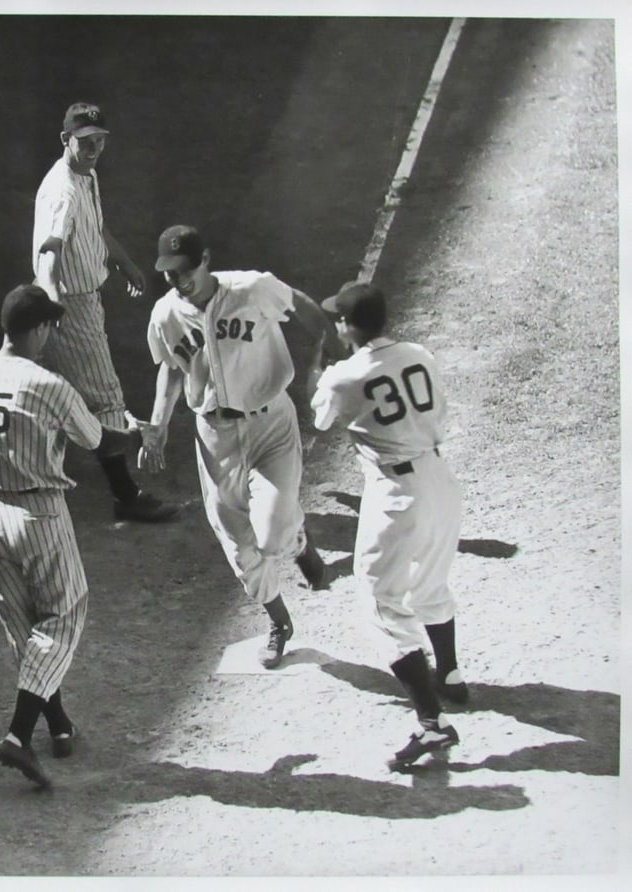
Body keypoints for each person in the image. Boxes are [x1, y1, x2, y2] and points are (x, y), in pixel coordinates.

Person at [0, 284, 149, 790]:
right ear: (35, 330)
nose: (52, 333)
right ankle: (18, 736)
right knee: (64, 615)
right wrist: (141, 433)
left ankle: (58, 725)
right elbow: (100, 444)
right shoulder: (49, 386)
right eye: (49, 325)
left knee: (23, 627)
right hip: (38, 515)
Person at [138, 225, 329, 670]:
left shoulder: (251, 288)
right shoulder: (165, 314)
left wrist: (328, 345)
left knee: (273, 534)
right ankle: (279, 622)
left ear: (205, 259)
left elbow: (297, 302)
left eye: (186, 270)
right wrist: (160, 426)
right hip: (215, 438)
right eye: (170, 273)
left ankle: (297, 540)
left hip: (270, 427)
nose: (179, 280)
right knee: (239, 545)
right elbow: (169, 368)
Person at [310, 282, 464, 770]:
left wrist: (322, 367)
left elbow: (319, 422)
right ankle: (452, 675)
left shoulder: (343, 376)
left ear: (349, 327)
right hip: (441, 478)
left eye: (339, 318)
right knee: (432, 582)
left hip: (395, 492)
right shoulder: (419, 352)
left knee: (380, 603)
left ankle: (431, 726)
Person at [32, 101, 176, 523]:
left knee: (47, 393)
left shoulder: (86, 175)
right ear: (66, 140)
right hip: (71, 304)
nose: (94, 148)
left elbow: (95, 230)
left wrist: (123, 261)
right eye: (85, 141)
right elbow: (49, 251)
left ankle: (18, 475)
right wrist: (53, 297)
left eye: (100, 141)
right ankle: (126, 495)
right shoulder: (62, 190)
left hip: (75, 300)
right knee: (106, 398)